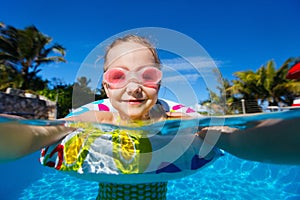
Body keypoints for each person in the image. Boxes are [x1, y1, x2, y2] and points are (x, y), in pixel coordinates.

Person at [1, 35, 300, 199]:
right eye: (119, 76)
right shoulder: (94, 114)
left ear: (159, 82)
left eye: (147, 75)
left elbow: (236, 139)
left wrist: (213, 132)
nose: (133, 87)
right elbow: (41, 135)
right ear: (105, 84)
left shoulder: (181, 118)